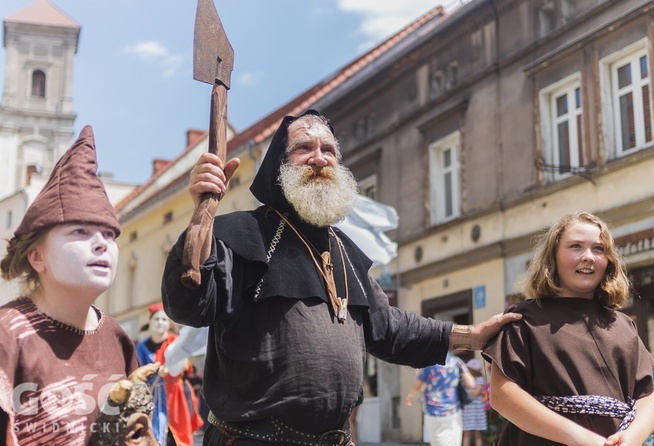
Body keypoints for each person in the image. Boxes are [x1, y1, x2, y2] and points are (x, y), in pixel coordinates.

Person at [161, 109, 521, 446]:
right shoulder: (240, 234)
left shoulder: (344, 249)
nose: (319, 158)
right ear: (279, 164)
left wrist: (469, 337)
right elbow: (189, 305)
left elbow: (389, 329)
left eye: (329, 150)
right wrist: (201, 216)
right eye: (304, 148)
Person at [0, 126, 139, 445]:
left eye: (108, 234)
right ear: (37, 256)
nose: (102, 244)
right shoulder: (6, 334)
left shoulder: (117, 337)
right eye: (79, 231)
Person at [483, 211, 654, 445]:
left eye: (598, 249)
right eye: (575, 246)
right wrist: (582, 439)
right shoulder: (523, 319)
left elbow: (646, 396)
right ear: (553, 256)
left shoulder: (624, 325)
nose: (588, 256)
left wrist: (632, 438)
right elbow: (502, 395)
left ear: (608, 261)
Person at [136, 304, 203, 446]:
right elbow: (137, 370)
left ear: (168, 324)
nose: (160, 323)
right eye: (157, 319)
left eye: (164, 320)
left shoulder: (176, 341)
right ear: (150, 322)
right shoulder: (142, 346)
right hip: (151, 395)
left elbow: (186, 366)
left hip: (174, 394)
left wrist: (169, 368)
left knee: (176, 435)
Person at [406, 354, 475, 446]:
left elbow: (417, 385)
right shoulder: (456, 361)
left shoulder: (428, 363)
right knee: (454, 442)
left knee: (437, 442)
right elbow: (471, 383)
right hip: (453, 411)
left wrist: (411, 397)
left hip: (433, 411)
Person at [461, 358, 488, 446]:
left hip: (477, 409)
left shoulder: (480, 380)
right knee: (467, 432)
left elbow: (476, 393)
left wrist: (468, 388)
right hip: (468, 408)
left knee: (477, 433)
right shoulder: (466, 379)